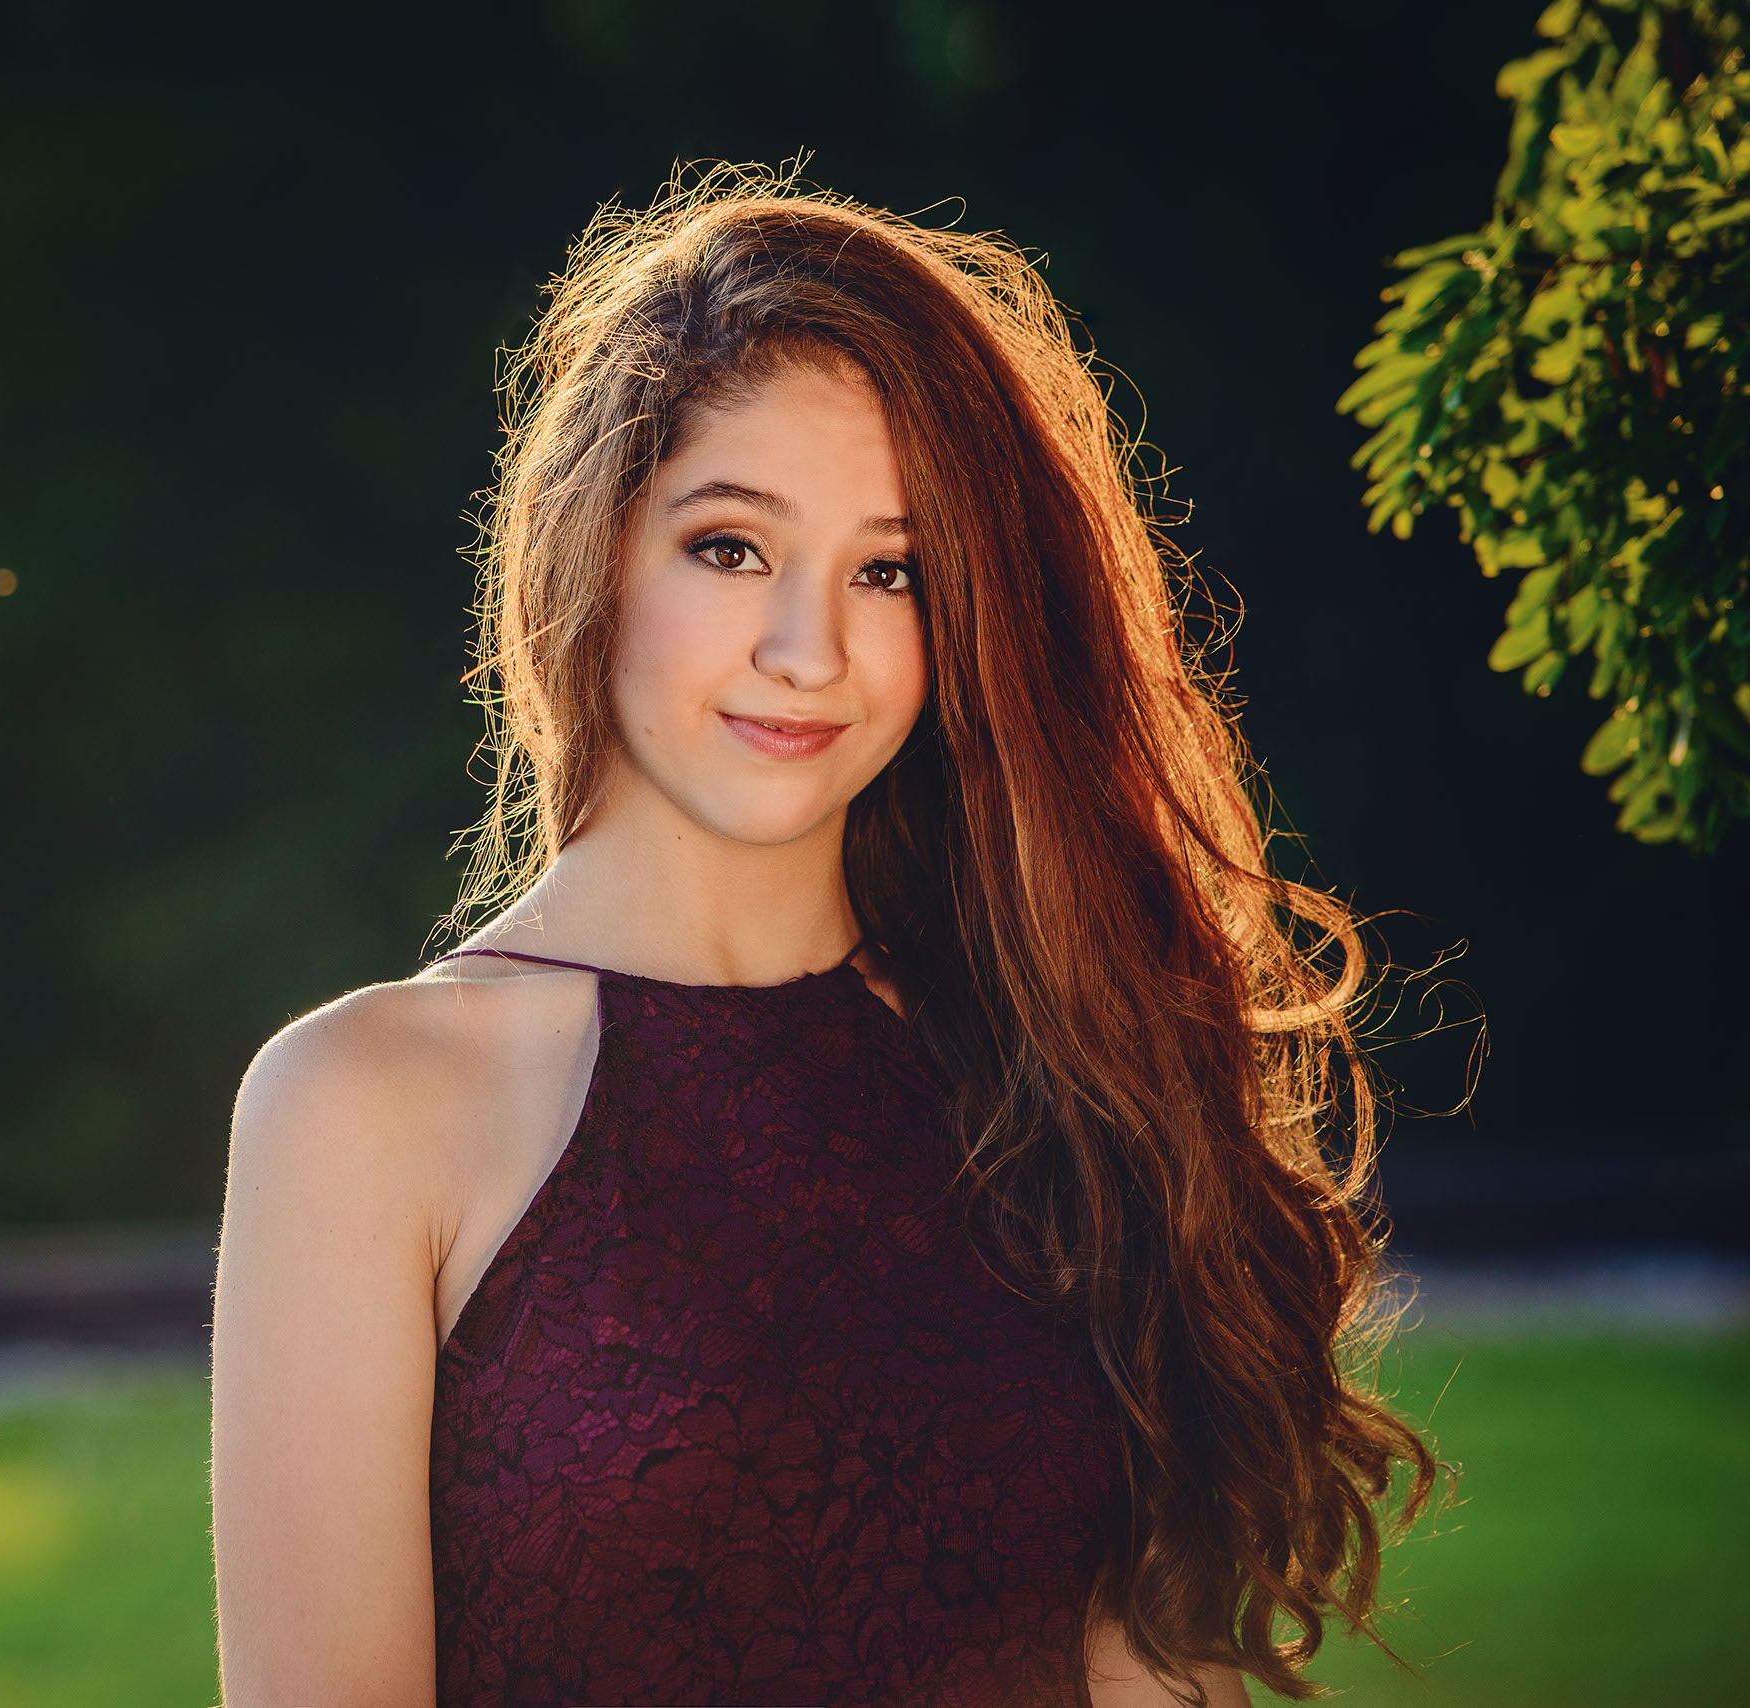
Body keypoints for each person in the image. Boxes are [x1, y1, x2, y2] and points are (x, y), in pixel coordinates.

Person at [210, 167, 1432, 1707]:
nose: (811, 652)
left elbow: (1147, 1672)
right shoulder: (361, 1107)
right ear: (596, 554)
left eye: (891, 571)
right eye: (731, 548)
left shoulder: (1055, 1061)